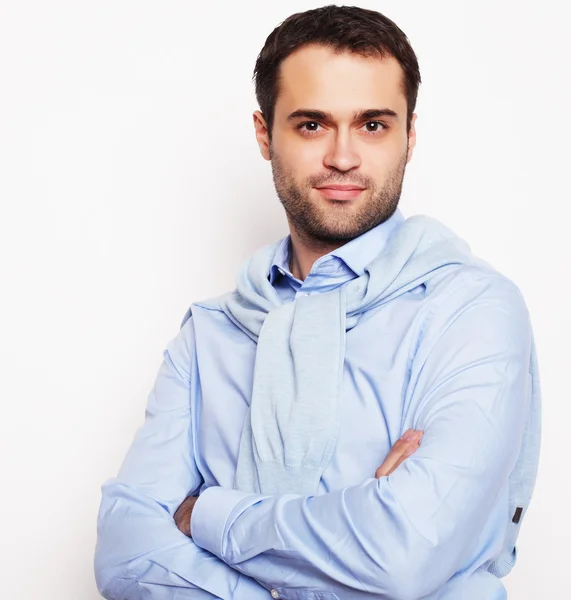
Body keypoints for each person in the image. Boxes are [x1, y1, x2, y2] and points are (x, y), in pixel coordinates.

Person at [94, 5, 540, 599]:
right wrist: (350, 529)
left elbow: (402, 556)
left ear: (410, 136)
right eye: (311, 125)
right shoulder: (210, 336)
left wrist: (207, 516)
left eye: (373, 125)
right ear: (263, 134)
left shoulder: (471, 311)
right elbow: (126, 555)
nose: (343, 157)